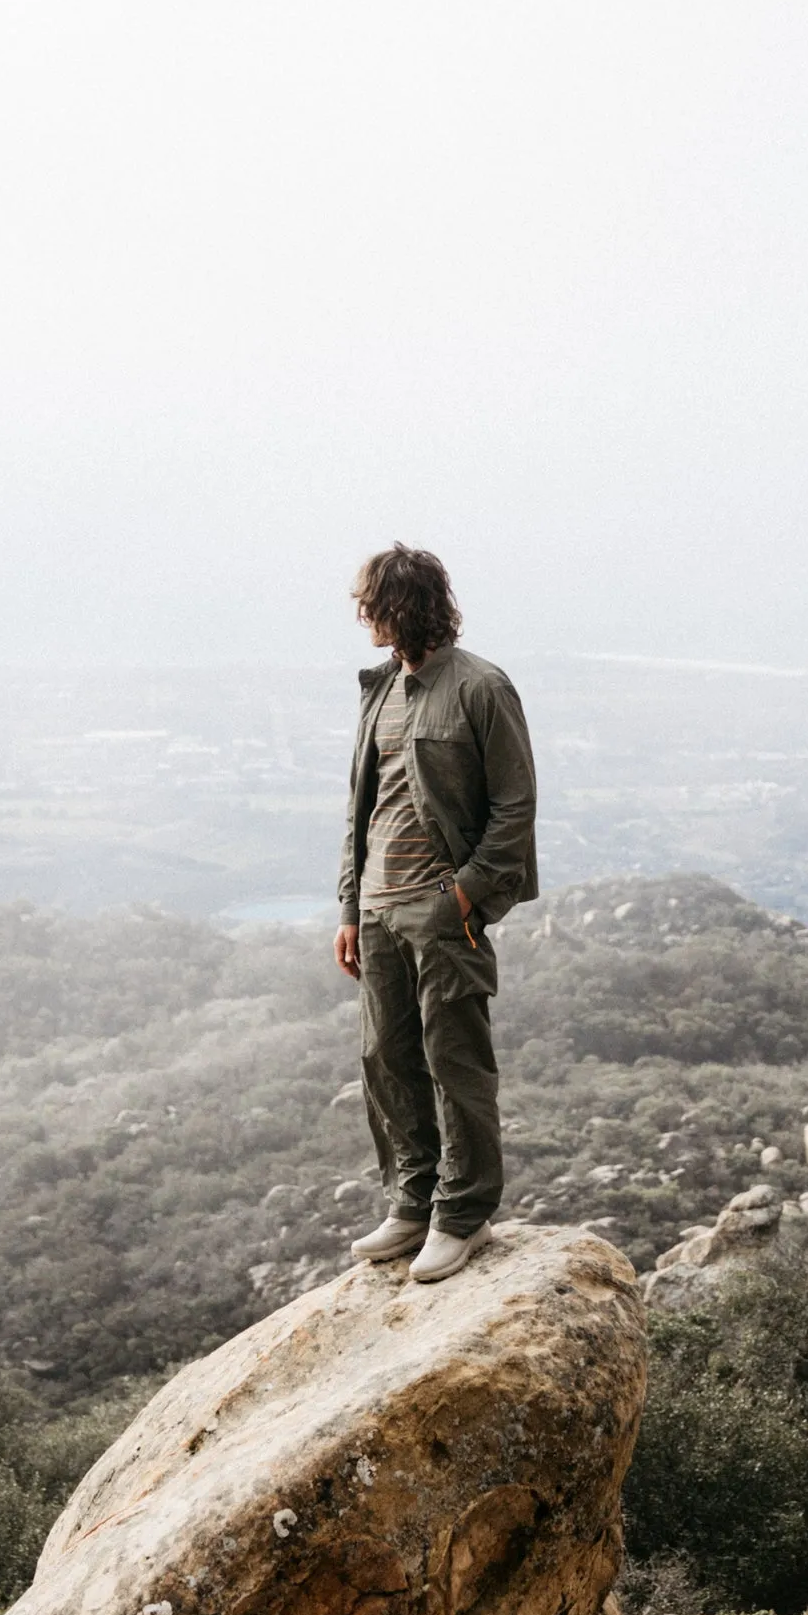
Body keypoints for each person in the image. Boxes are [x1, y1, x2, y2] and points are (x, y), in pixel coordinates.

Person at [334, 544, 538, 1282]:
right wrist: (351, 906)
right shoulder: (380, 690)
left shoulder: (481, 687)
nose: (363, 616)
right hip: (380, 915)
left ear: (409, 604)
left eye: (373, 604)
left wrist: (464, 894)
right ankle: (413, 1200)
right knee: (387, 1061)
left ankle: (464, 1214)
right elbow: (361, 807)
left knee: (456, 1064)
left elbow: (516, 806)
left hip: (443, 911)